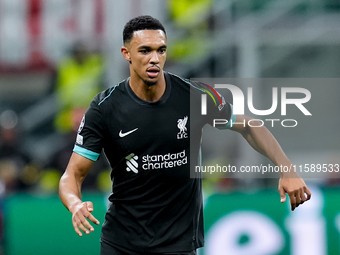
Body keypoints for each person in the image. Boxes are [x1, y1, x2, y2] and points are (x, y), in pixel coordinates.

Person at [59, 15, 311, 255]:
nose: (155, 58)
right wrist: (74, 204)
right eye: (145, 51)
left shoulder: (194, 96)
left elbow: (249, 125)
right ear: (126, 54)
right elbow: (72, 175)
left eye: (161, 50)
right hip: (122, 244)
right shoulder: (105, 108)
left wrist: (286, 167)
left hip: (178, 244)